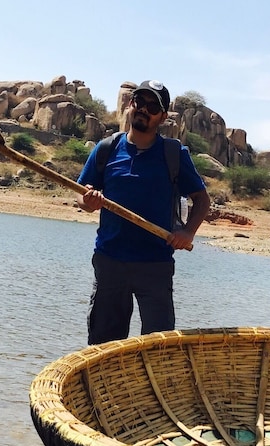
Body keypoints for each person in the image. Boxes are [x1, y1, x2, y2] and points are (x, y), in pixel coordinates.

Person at [75, 80, 210, 345]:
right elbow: (82, 193)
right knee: (103, 347)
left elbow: (202, 200)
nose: (143, 109)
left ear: (162, 117)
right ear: (130, 105)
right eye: (139, 102)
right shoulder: (106, 149)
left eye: (152, 106)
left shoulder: (174, 154)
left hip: (155, 265)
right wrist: (88, 200)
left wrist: (187, 232)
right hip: (110, 262)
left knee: (159, 346)